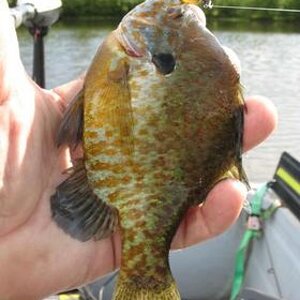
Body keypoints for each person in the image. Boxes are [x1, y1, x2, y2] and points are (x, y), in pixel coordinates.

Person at [0, 0, 277, 299]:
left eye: (176, 15)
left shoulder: (123, 58)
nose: (172, 9)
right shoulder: (139, 57)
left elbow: (84, 107)